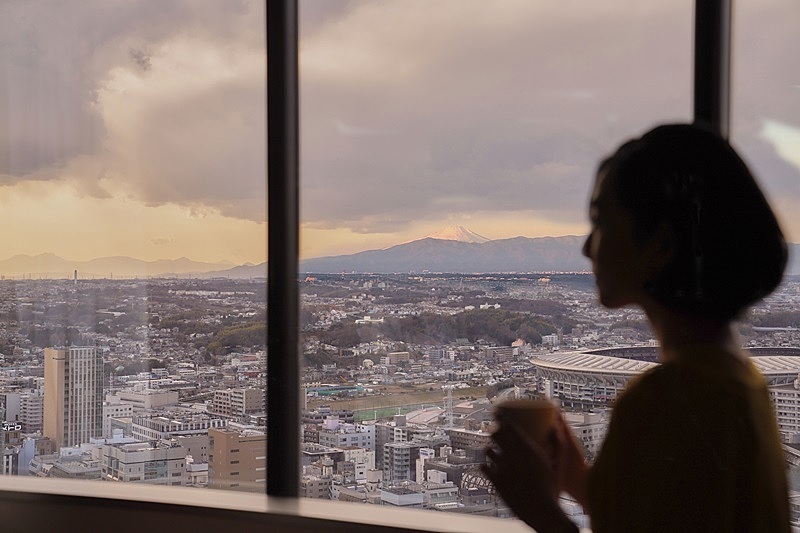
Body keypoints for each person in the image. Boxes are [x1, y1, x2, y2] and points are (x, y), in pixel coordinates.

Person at [483, 123, 791, 532]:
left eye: (601, 222)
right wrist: (578, 478)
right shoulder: (741, 382)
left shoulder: (667, 399)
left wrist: (539, 509)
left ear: (660, 245)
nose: (587, 247)